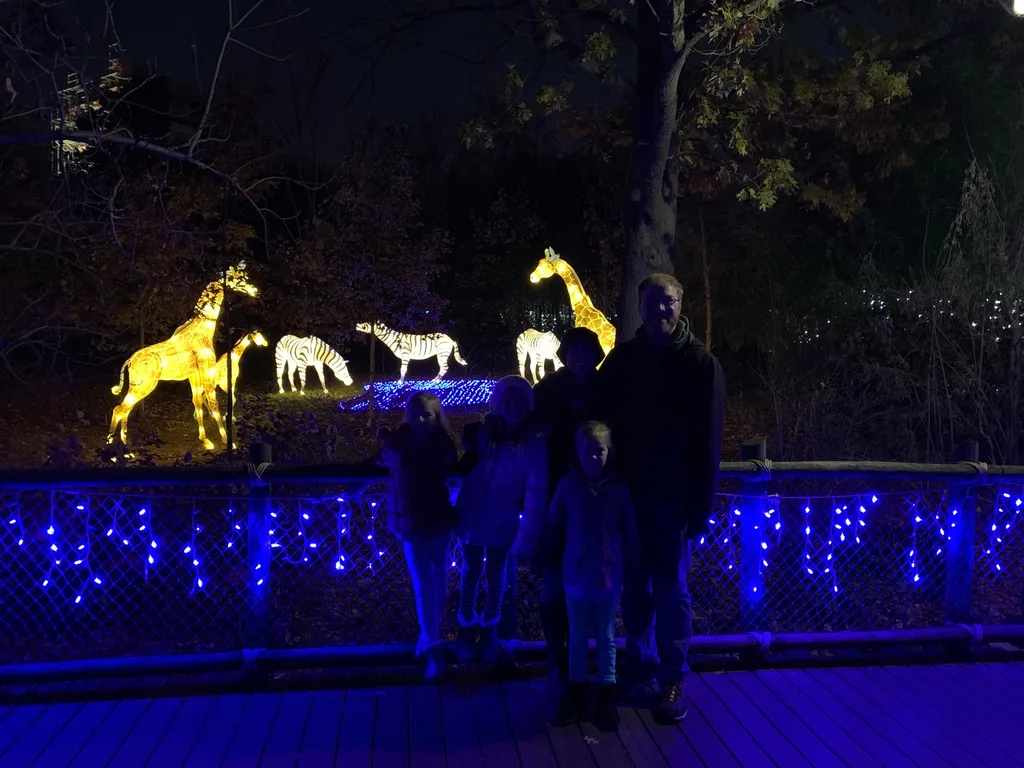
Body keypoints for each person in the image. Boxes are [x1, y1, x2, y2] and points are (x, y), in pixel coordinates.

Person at [595, 273, 726, 723]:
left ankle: (673, 674)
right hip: (630, 496)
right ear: (640, 306)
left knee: (671, 591)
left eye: (668, 301)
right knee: (634, 587)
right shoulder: (624, 360)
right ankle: (640, 660)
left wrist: (701, 508)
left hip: (673, 501)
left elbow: (710, 444)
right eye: (652, 302)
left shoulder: (700, 365)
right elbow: (599, 416)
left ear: (679, 303)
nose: (660, 310)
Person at [549, 421, 639, 732]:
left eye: (599, 450)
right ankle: (576, 689)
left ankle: (605, 693)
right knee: (576, 638)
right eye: (587, 451)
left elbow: (629, 530)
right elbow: (554, 524)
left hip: (608, 577)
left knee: (606, 637)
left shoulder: (619, 489)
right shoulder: (567, 486)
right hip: (574, 574)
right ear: (577, 452)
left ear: (608, 452)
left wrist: (632, 562)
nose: (593, 457)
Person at [531, 327, 605, 701]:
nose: (580, 357)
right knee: (554, 585)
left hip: (596, 500)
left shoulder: (607, 391)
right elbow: (521, 426)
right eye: (574, 351)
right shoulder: (546, 392)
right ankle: (558, 663)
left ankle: (591, 668)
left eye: (587, 351)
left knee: (594, 587)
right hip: (554, 499)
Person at [454, 375, 548, 663]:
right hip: (471, 516)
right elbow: (464, 468)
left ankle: (491, 630)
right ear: (497, 404)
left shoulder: (532, 445)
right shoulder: (483, 436)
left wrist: (528, 535)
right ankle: (466, 628)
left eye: (519, 400)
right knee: (469, 573)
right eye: (506, 400)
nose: (512, 406)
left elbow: (536, 492)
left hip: (503, 520)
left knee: (497, 577)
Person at [378, 391, 459, 682]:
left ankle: (430, 635)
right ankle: (433, 647)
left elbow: (455, 466)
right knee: (424, 585)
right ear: (406, 416)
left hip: (437, 521)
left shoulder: (441, 446)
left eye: (426, 415)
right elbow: (378, 462)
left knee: (439, 583)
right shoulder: (396, 444)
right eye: (414, 414)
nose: (420, 420)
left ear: (437, 418)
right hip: (411, 525)